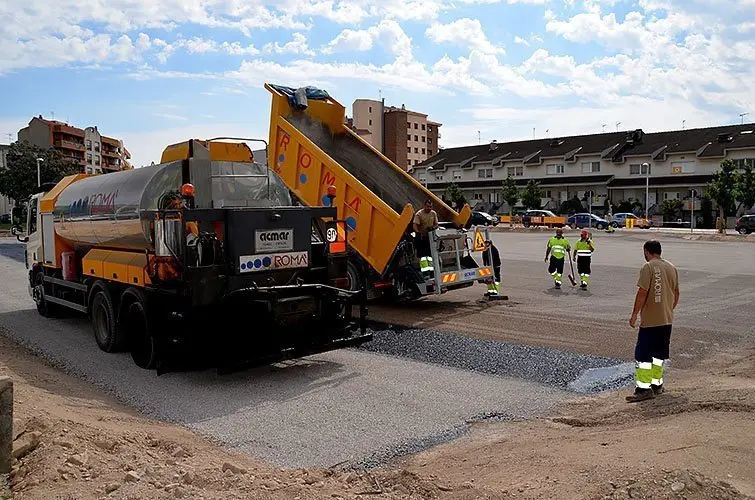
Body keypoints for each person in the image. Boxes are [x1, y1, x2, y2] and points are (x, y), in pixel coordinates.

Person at [627, 240, 680, 403]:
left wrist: (635, 314)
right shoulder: (671, 267)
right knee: (659, 355)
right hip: (666, 320)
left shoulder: (648, 267)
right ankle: (657, 385)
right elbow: (676, 293)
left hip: (651, 321)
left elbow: (642, 292)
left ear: (646, 251)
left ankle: (643, 389)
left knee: (643, 355)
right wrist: (668, 309)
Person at [413, 198, 439, 277]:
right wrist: (418, 233)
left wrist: (432, 228)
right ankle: (425, 272)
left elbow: (436, 224)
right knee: (423, 257)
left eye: (430, 207)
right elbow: (415, 225)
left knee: (431, 256)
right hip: (422, 238)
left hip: (430, 238)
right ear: (424, 206)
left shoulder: (433, 213)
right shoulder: (419, 214)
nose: (429, 208)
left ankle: (432, 272)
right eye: (428, 206)